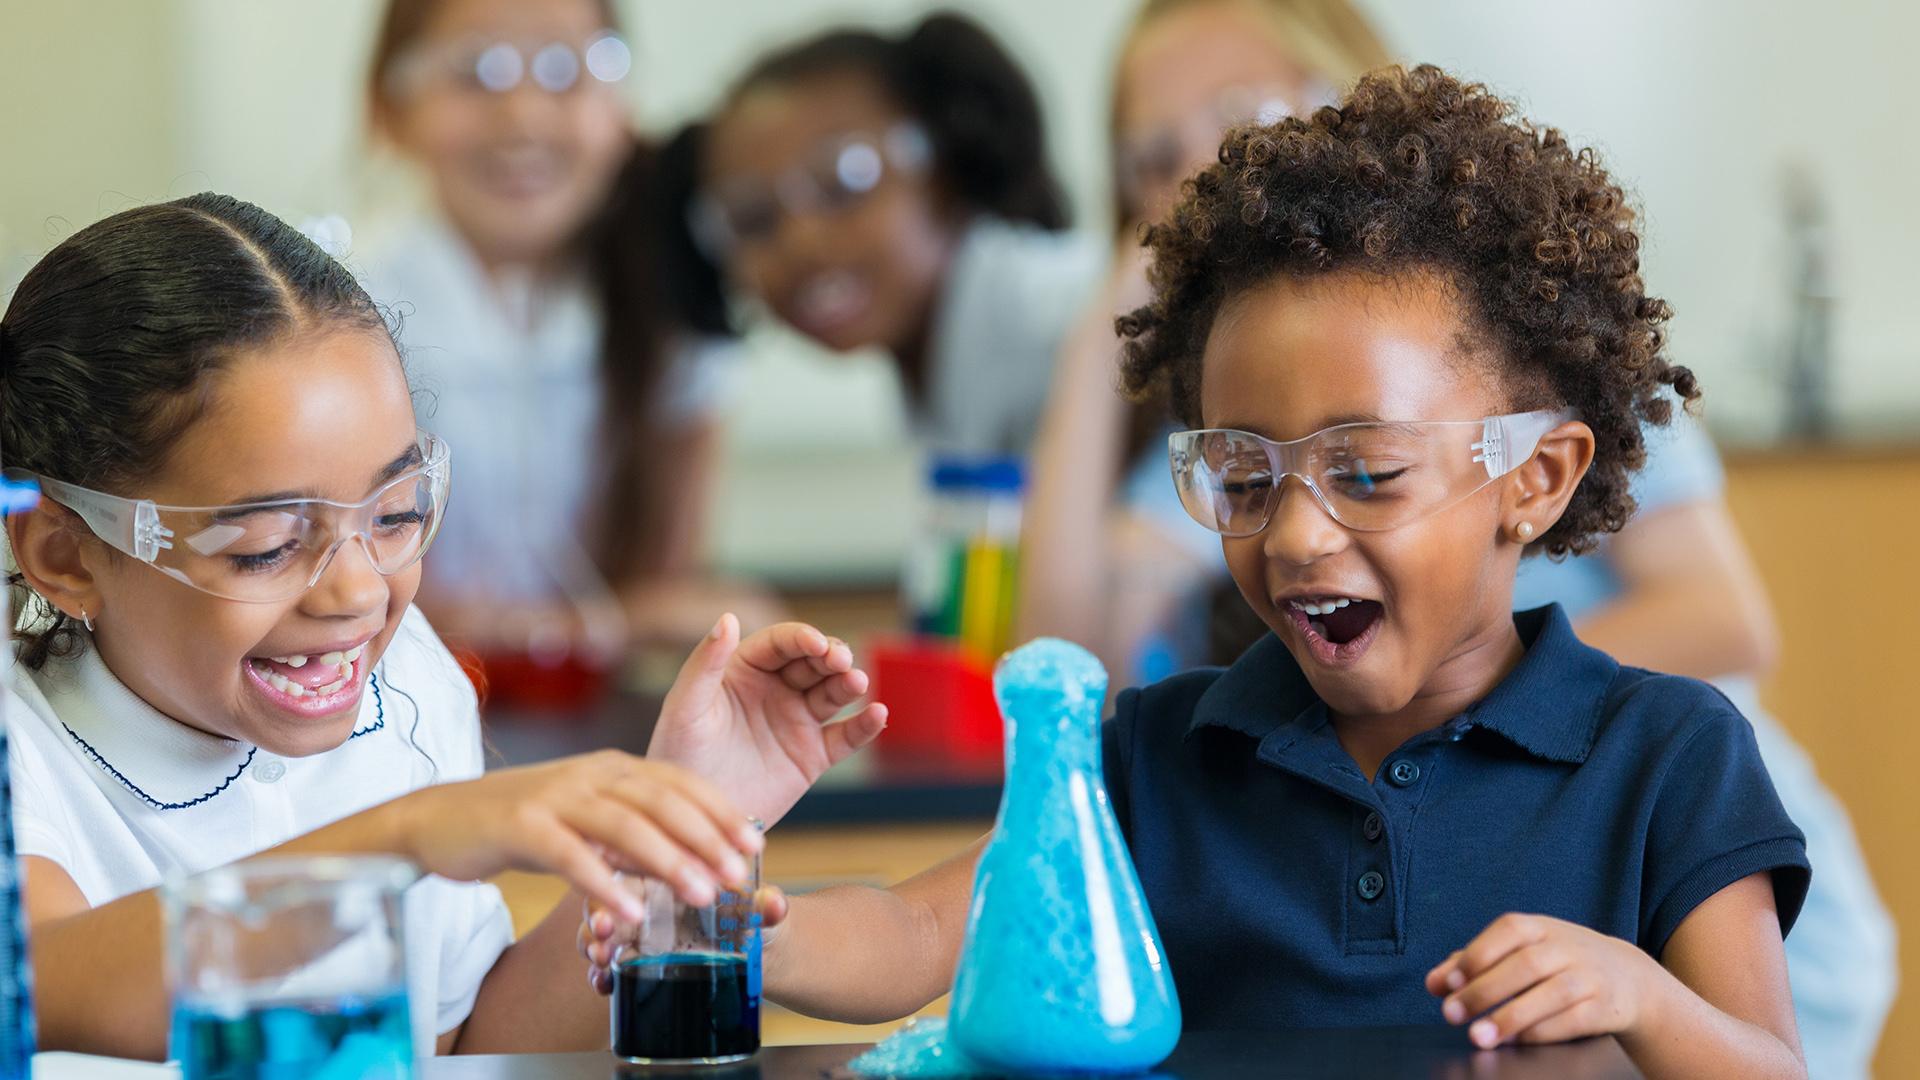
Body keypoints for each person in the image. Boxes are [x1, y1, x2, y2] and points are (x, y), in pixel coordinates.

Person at [590, 67, 1814, 1079]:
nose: (1292, 538)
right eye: (1243, 477)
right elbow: (922, 930)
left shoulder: (1670, 756)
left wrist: (1644, 1001)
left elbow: (1767, 1063)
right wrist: (745, 939)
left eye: (1367, 472)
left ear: (1536, 481)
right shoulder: (1162, 756)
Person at [0, 193, 886, 1058]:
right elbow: (42, 985)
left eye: (394, 514)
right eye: (266, 546)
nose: (354, 592)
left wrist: (676, 845)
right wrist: (408, 835)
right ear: (66, 555)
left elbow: (462, 1040)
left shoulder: (407, 686)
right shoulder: (23, 746)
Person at [359, 0, 773, 660]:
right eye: (475, 72)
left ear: (620, 106)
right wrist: (605, 626)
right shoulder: (340, 307)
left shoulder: (672, 299)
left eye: (564, 71)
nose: (522, 114)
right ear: (389, 106)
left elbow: (672, 585)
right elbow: (356, 594)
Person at [1017, 0, 1391, 683]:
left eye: (1244, 115)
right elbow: (1062, 677)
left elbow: (1662, 606)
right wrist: (1099, 343)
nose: (1202, 176)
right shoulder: (1222, 438)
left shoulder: (1506, 336)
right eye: (1157, 160)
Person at [692, 12, 1099, 457]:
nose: (800, 243)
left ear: (943, 161)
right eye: (752, 219)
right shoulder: (933, 364)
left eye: (842, 183)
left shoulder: (1062, 315)